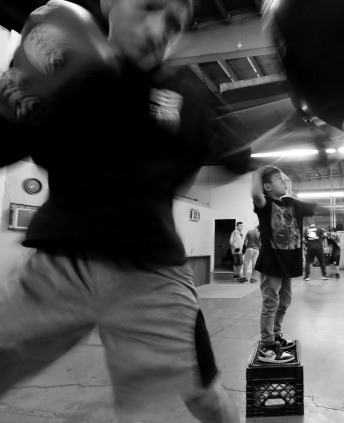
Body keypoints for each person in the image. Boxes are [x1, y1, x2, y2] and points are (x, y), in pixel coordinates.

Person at [0, 0, 241, 422]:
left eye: (175, 22)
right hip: (58, 268)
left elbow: (232, 156)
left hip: (152, 277)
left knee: (202, 399)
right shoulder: (66, 63)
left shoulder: (184, 94)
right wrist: (16, 88)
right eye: (149, 7)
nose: (160, 29)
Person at [252, 166, 317, 363]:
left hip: (287, 264)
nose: (284, 182)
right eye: (279, 179)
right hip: (271, 263)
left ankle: (275, 334)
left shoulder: (290, 204)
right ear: (267, 186)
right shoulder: (265, 204)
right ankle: (266, 344)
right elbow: (256, 193)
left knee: (285, 301)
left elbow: (309, 209)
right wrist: (257, 171)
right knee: (271, 302)